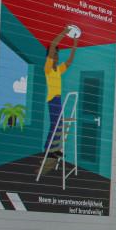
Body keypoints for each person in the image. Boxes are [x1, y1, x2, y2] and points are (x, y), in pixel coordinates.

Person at [43, 27, 78, 167]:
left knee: (59, 125)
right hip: (52, 99)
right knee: (56, 124)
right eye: (54, 55)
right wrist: (64, 32)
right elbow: (52, 46)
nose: (56, 57)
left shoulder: (58, 70)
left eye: (57, 55)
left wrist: (74, 46)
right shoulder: (48, 68)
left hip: (58, 99)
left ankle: (54, 149)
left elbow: (68, 63)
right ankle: (49, 150)